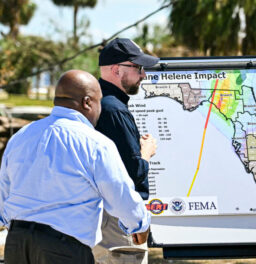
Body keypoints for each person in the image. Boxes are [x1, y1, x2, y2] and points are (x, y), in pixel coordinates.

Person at [0, 70, 151, 264]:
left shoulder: (21, 136)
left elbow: (4, 191)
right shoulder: (96, 143)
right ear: (87, 102)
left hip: (17, 244)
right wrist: (139, 224)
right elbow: (119, 194)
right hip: (62, 248)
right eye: (99, 102)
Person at [92, 38, 158, 263]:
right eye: (138, 67)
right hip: (118, 220)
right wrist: (146, 153)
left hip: (99, 215)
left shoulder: (96, 103)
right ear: (116, 70)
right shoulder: (114, 110)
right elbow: (131, 173)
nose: (143, 75)